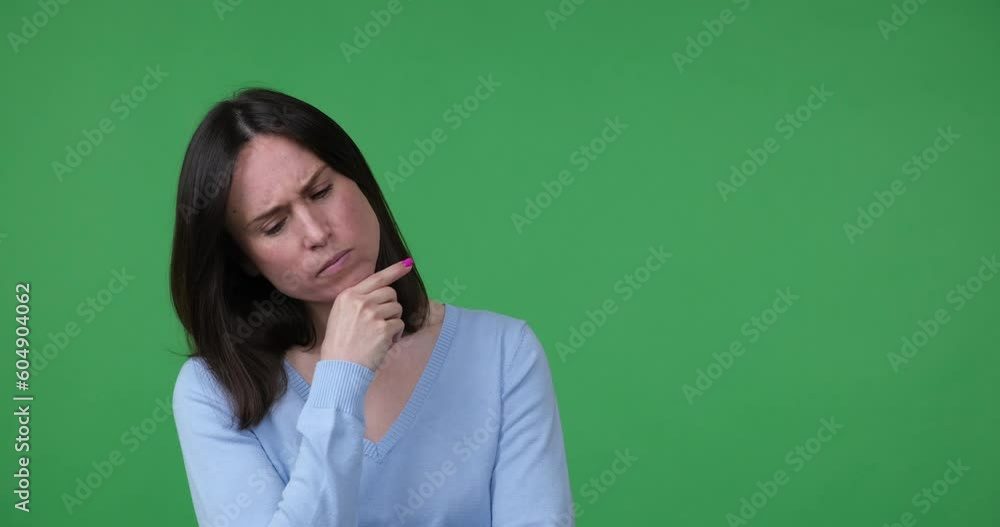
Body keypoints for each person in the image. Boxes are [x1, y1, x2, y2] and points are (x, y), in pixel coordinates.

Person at [168, 87, 573, 526]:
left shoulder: (503, 353)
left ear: (358, 180)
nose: (316, 232)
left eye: (321, 191)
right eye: (275, 225)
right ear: (244, 258)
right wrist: (341, 379)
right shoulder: (213, 392)